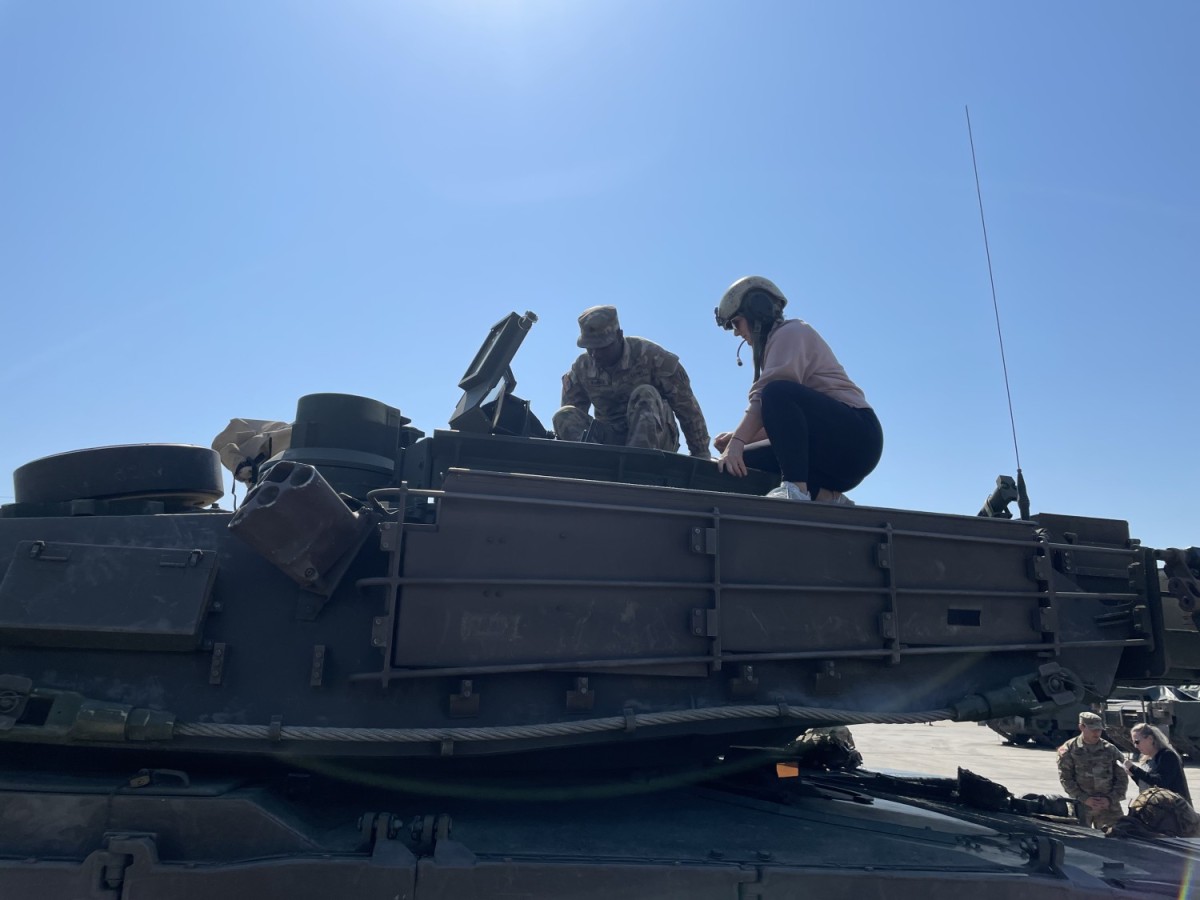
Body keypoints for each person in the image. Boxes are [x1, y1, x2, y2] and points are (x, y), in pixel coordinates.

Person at [712, 275, 882, 503]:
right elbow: (784, 424)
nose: (736, 333)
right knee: (743, 461)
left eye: (736, 323)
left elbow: (769, 397)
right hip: (833, 454)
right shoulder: (775, 346)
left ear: (756, 310)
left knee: (776, 392)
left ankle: (796, 490)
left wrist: (738, 441)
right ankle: (829, 498)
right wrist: (739, 441)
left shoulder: (792, 332)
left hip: (857, 437)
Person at [554, 306, 711, 458]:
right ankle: (595, 468)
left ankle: (636, 466)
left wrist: (701, 453)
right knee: (564, 415)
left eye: (602, 347)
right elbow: (573, 415)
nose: (595, 354)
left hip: (658, 436)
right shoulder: (582, 367)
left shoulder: (653, 357)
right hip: (610, 438)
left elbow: (687, 408)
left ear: (619, 336)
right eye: (589, 347)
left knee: (645, 393)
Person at [1057, 711, 1130, 830]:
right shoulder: (1069, 750)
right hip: (1081, 805)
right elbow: (1066, 778)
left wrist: (1110, 799)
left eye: (1099, 730)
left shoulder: (1110, 750)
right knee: (1081, 843)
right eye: (1093, 729)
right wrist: (1084, 798)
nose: (1097, 733)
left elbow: (1122, 777)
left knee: (1116, 839)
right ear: (1081, 727)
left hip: (1108, 806)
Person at [1122, 722, 1192, 804]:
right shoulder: (1148, 760)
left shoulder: (1167, 756)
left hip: (1175, 810)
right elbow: (1147, 785)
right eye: (1133, 742)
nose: (1135, 746)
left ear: (1150, 739)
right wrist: (1133, 775)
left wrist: (1134, 769)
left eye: (1137, 742)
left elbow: (1160, 783)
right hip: (1158, 808)